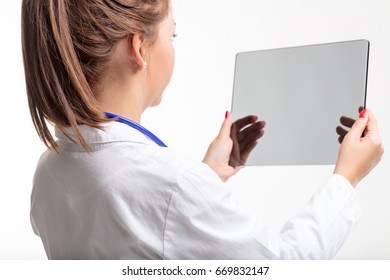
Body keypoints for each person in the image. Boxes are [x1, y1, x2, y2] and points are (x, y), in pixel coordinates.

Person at [21, 0, 384, 260]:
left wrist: (207, 176)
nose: (173, 47)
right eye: (172, 36)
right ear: (139, 47)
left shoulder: (50, 170)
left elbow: (138, 227)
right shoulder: (173, 185)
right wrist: (346, 178)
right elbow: (283, 265)